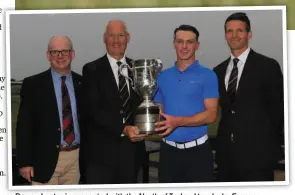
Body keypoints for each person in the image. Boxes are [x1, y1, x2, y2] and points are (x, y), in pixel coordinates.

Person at [213, 12, 284, 182]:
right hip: (226, 158)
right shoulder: (218, 71)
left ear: (249, 34)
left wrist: (269, 149)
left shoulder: (268, 66)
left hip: (258, 158)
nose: (234, 36)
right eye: (230, 31)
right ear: (225, 35)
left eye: (240, 31)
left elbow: (279, 111)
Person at [82, 19, 146, 184]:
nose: (116, 40)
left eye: (120, 35)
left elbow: (142, 105)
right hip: (101, 156)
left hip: (132, 153)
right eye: (112, 35)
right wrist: (124, 128)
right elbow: (94, 111)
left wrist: (148, 124)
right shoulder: (91, 69)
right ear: (105, 38)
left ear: (128, 37)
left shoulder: (137, 68)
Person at [153, 24, 219, 183]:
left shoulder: (208, 75)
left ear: (197, 45)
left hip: (198, 153)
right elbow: (159, 112)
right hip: (168, 152)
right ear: (174, 43)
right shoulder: (162, 76)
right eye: (180, 41)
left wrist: (178, 122)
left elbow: (211, 115)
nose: (184, 46)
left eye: (189, 42)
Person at [16, 36, 83, 185]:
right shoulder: (33, 85)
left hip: (76, 160)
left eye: (64, 51)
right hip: (43, 161)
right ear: (48, 56)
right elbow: (24, 127)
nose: (60, 56)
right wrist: (24, 162)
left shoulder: (83, 83)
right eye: (54, 52)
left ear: (72, 54)